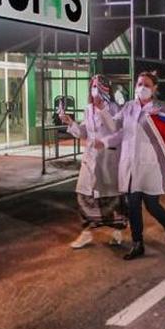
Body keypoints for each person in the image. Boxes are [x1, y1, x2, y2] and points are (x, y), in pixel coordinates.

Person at [100, 71, 165, 260]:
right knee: (133, 206)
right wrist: (102, 110)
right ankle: (138, 244)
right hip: (129, 166)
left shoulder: (161, 109)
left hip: (150, 167)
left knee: (152, 206)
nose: (142, 88)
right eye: (140, 84)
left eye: (147, 85)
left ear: (155, 89)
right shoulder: (128, 107)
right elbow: (115, 127)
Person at [60, 75, 126, 249]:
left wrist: (103, 110)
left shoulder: (113, 108)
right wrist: (70, 122)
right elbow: (84, 132)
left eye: (98, 86)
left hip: (107, 159)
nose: (95, 89)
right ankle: (86, 232)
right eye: (93, 86)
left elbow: (117, 131)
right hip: (90, 159)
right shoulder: (88, 109)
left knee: (110, 197)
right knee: (83, 195)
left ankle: (118, 230)